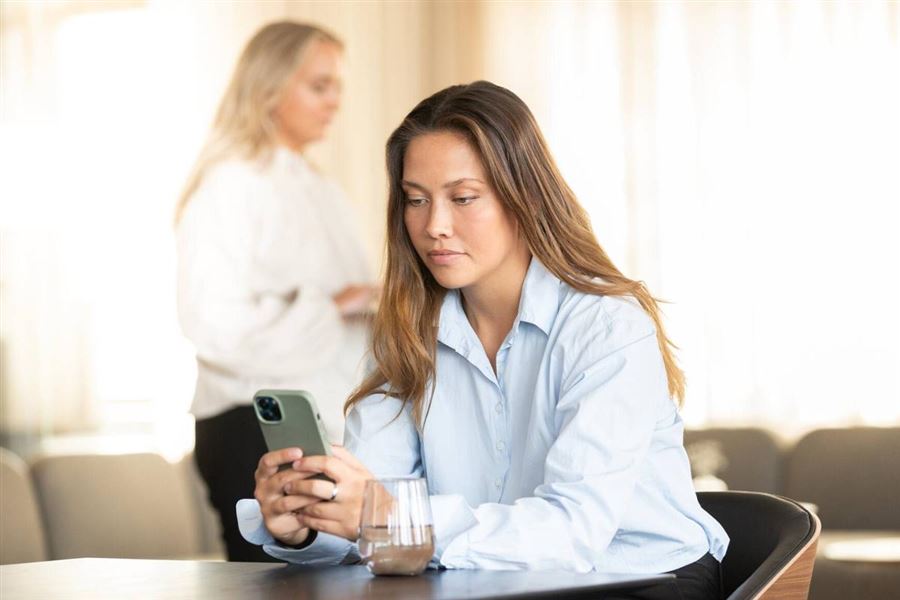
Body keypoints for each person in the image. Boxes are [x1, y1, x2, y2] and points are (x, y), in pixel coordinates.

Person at [238, 81, 729, 597]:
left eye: (463, 198)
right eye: (416, 200)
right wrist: (307, 522)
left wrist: (386, 513)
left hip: (641, 578)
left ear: (524, 195)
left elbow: (573, 532)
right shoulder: (408, 332)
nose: (434, 226)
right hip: (487, 578)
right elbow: (376, 510)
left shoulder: (607, 326)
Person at [175, 21, 377, 562]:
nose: (335, 101)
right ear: (268, 87)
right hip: (252, 423)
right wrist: (334, 305)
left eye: (338, 86)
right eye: (319, 85)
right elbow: (211, 323)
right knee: (277, 586)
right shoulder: (229, 185)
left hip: (317, 422)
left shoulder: (323, 191)